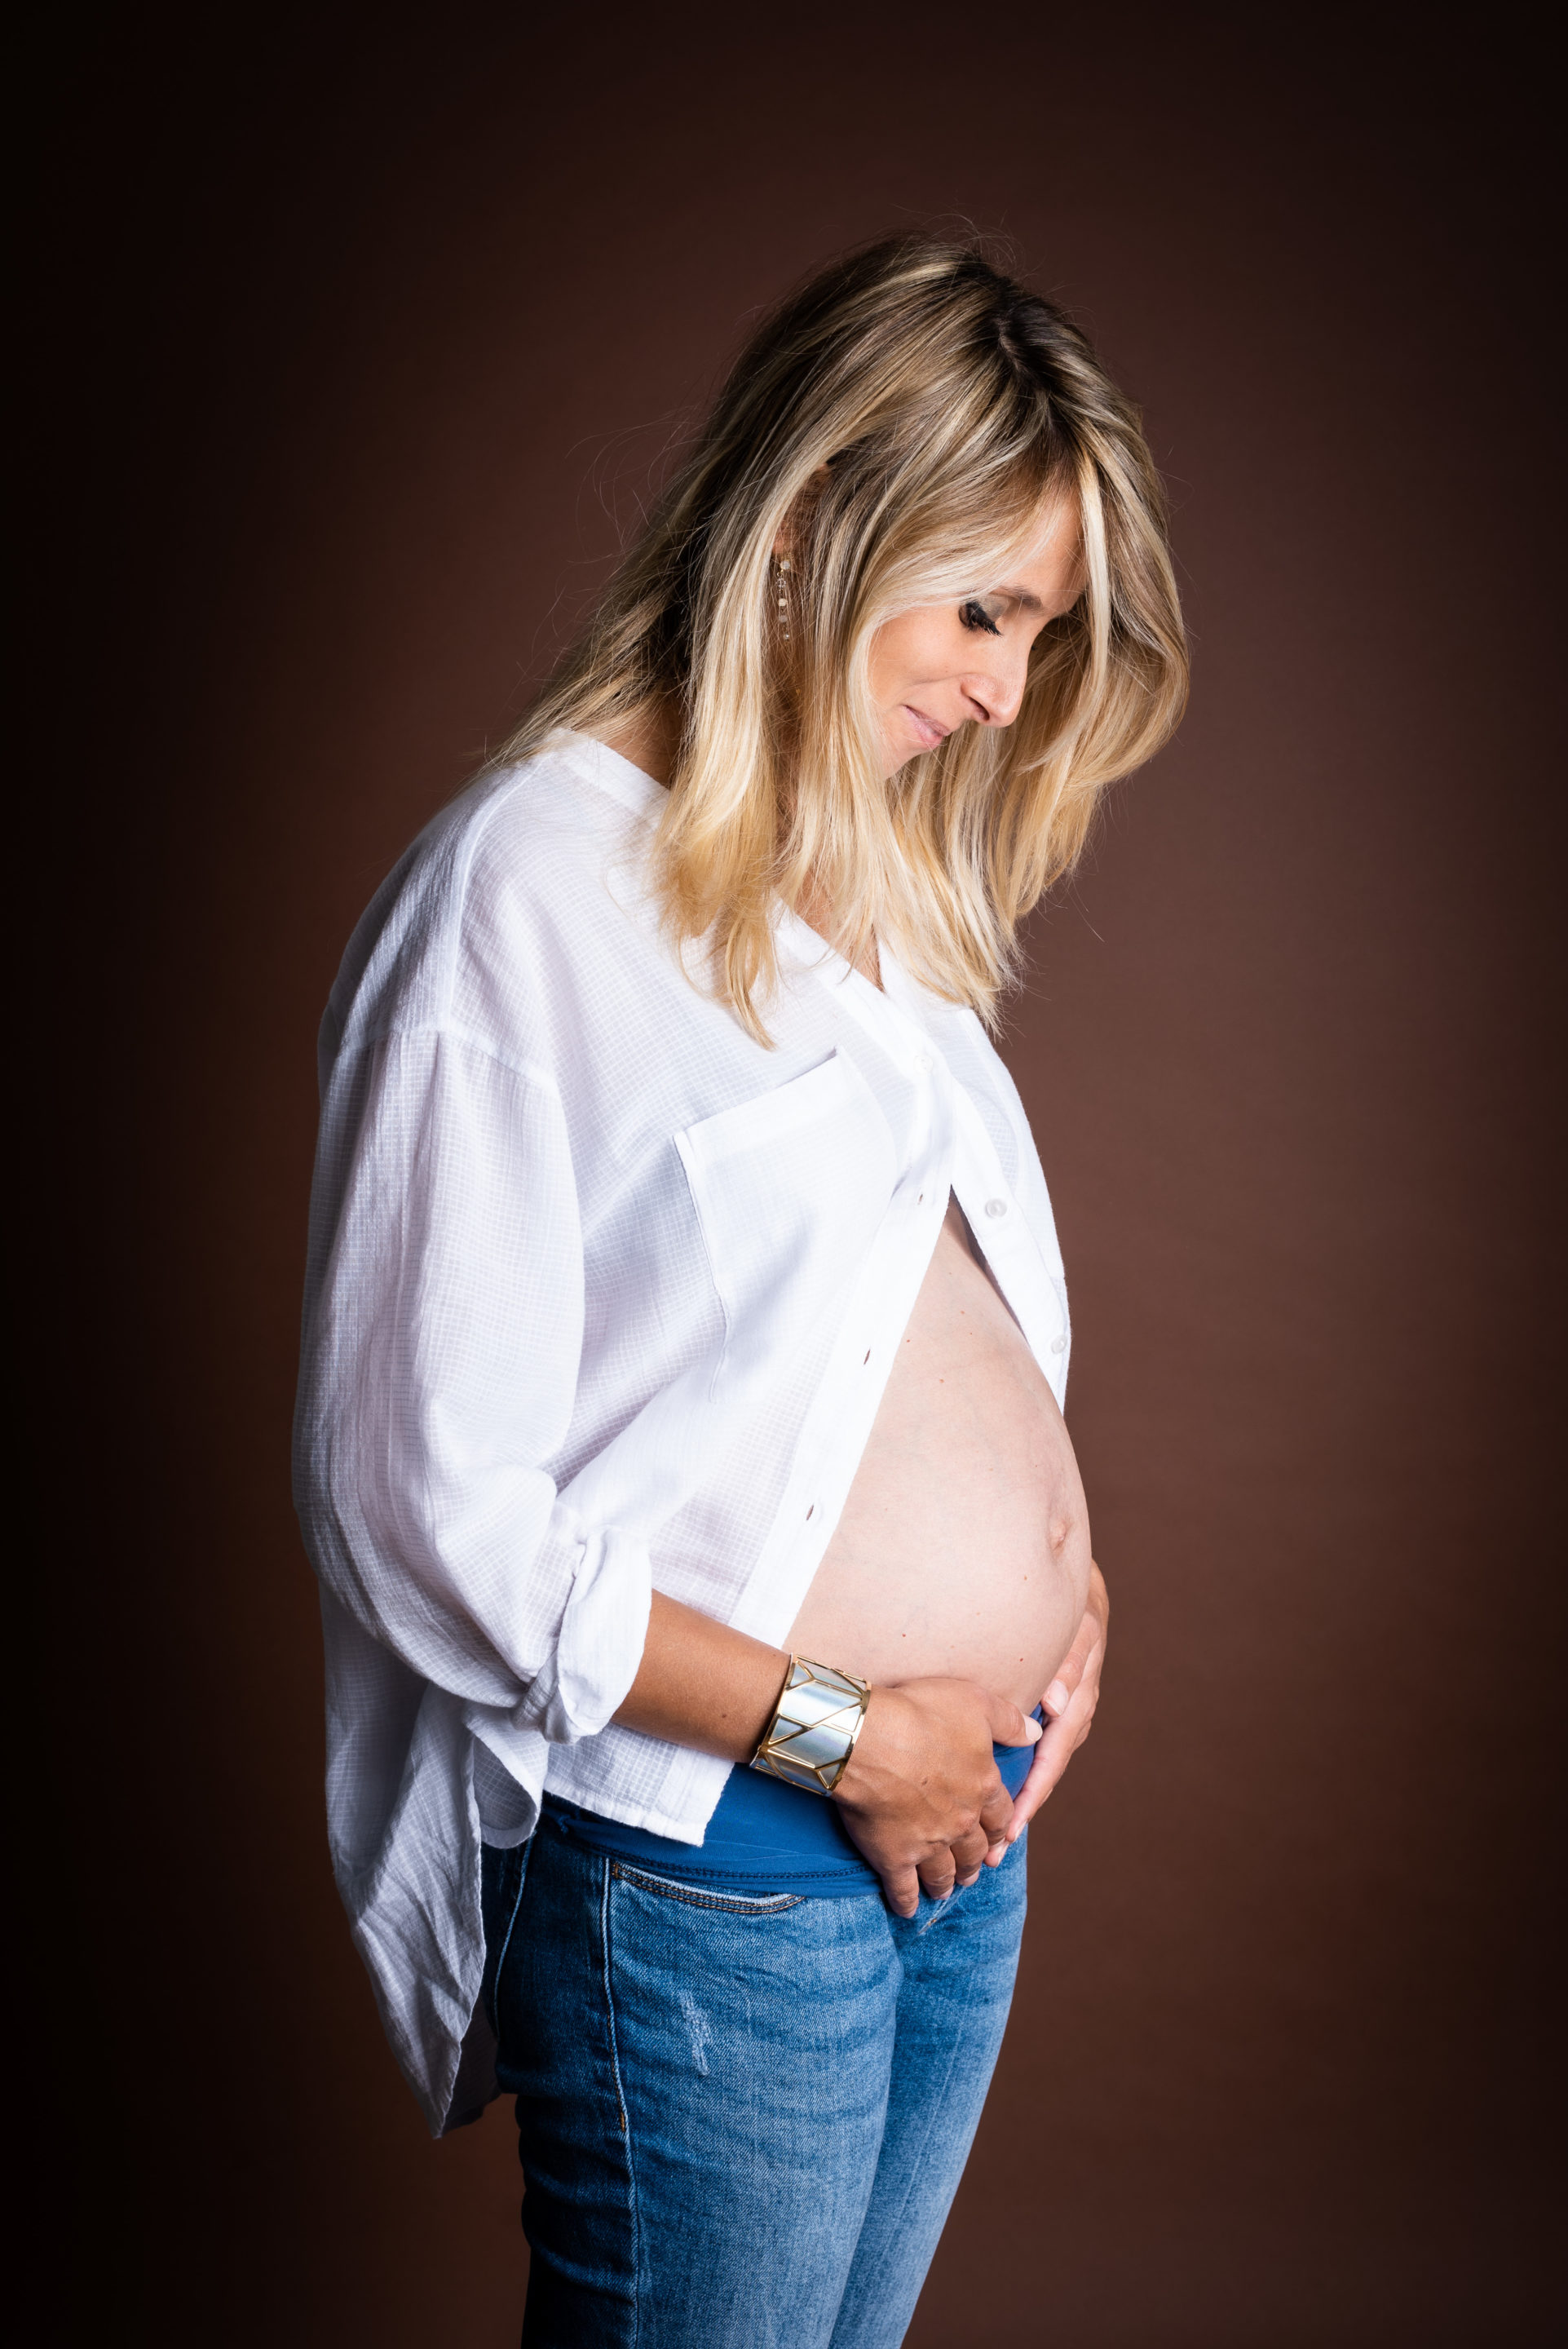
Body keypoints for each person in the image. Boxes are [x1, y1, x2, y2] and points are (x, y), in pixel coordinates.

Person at [294, 234, 1186, 2347]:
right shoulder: (523, 891)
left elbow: (865, 1345)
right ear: (813, 528)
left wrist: (1058, 1601)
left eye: (1035, 631)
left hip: (946, 1818)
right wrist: (839, 1727)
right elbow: (428, 1503)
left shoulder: (850, 903)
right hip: (724, 1848)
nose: (997, 686)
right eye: (979, 607)